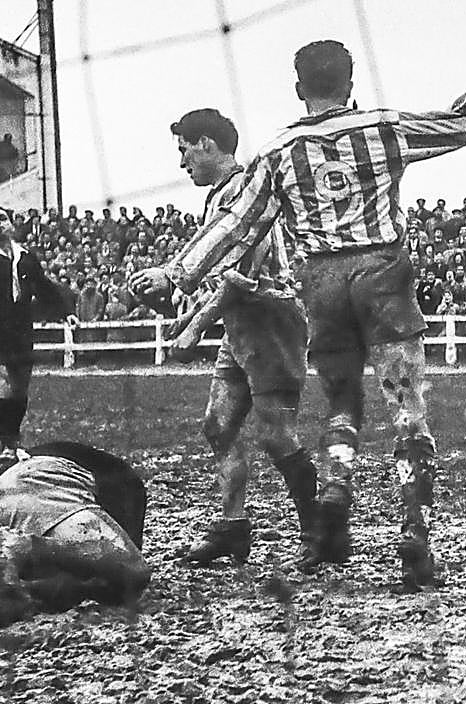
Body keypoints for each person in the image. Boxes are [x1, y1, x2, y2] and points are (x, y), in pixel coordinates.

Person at [152, 41, 466, 591]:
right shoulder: (383, 126)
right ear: (351, 81)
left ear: (298, 86)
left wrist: (178, 273)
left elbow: (239, 224)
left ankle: (335, 492)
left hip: (322, 282)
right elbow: (458, 126)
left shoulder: (278, 151)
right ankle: (415, 530)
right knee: (407, 408)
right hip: (383, 271)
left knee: (341, 403)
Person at [133, 108, 317, 567]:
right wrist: (185, 316)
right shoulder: (220, 195)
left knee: (276, 434)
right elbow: (222, 281)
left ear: (207, 144)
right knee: (219, 425)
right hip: (241, 322)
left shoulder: (246, 191)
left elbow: (241, 275)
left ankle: (319, 531)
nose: (181, 164)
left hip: (271, 318)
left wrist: (194, 326)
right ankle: (234, 527)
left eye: (184, 150)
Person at [0, 441, 151, 627]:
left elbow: (77, 575)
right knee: (133, 570)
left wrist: (31, 590)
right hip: (40, 484)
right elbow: (120, 580)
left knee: (85, 566)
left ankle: (16, 578)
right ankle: (22, 547)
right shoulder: (126, 484)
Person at [0, 204, 78, 461]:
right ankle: (7, 443)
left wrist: (65, 312)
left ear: (11, 224)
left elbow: (44, 287)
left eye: (2, 218)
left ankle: (13, 439)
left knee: (20, 388)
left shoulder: (25, 255)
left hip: (19, 328)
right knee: (2, 380)